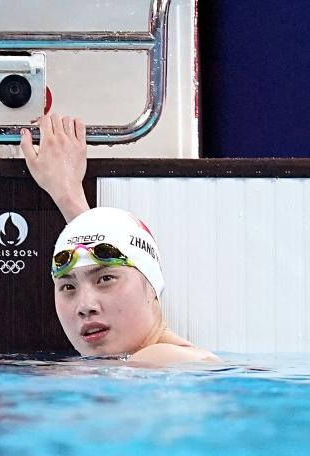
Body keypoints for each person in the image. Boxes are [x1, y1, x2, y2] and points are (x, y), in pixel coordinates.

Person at [17, 113, 219, 365]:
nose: (85, 306)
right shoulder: (138, 368)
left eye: (105, 279)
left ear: (152, 287)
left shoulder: (167, 359)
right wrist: (67, 193)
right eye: (67, 287)